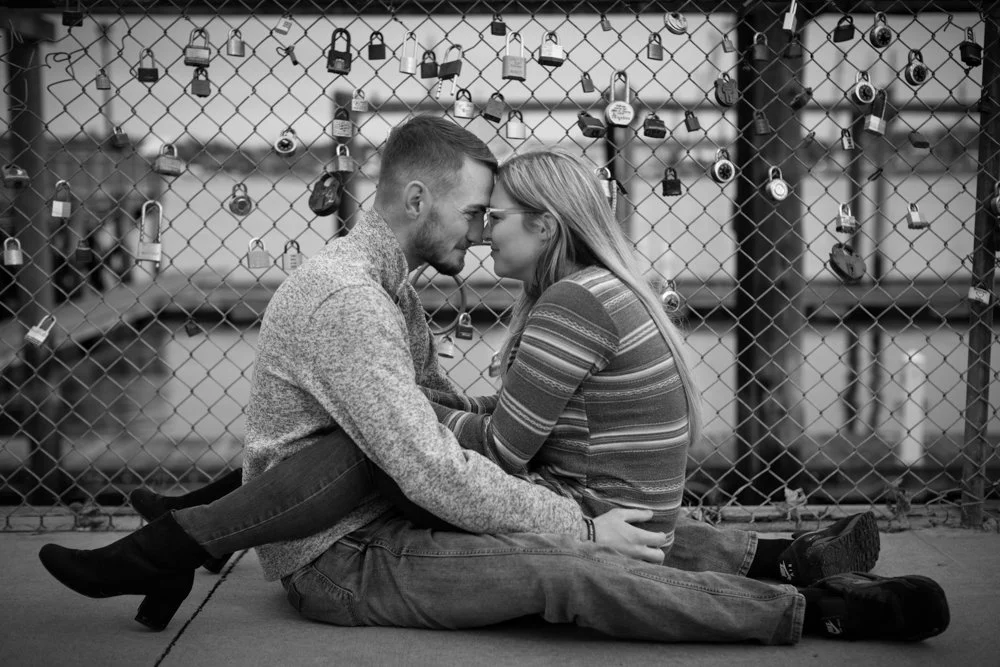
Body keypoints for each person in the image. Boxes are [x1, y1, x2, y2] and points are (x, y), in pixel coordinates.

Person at [39, 119, 949, 645]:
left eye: (495, 217)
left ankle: (175, 533)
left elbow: (435, 428)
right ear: (415, 201)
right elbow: (434, 463)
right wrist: (580, 518)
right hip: (343, 561)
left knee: (604, 531)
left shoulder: (392, 289)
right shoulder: (353, 301)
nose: (480, 234)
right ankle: (813, 608)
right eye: (477, 212)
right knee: (568, 562)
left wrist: (491, 441)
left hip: (383, 513)